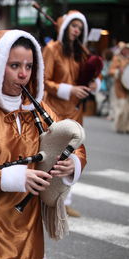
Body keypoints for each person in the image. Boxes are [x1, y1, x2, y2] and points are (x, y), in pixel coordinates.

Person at [0, 29, 87, 259]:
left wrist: (72, 163)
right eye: (14, 66)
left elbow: (74, 143)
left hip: (26, 222)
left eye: (29, 66)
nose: (23, 74)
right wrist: (14, 177)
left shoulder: (38, 108)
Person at [42, 10, 95, 217]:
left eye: (80, 28)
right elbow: (44, 80)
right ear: (65, 28)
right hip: (54, 111)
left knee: (73, 158)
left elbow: (84, 77)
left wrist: (92, 83)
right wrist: (68, 89)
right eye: (74, 26)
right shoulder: (52, 49)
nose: (76, 31)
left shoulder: (80, 53)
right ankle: (49, 198)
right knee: (53, 156)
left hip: (75, 111)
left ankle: (65, 200)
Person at [109, 43, 129, 133]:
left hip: (127, 87)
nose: (126, 51)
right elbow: (111, 71)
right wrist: (118, 71)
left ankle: (126, 127)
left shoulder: (128, 59)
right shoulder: (117, 58)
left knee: (127, 109)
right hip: (119, 86)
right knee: (121, 108)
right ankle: (119, 127)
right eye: (125, 49)